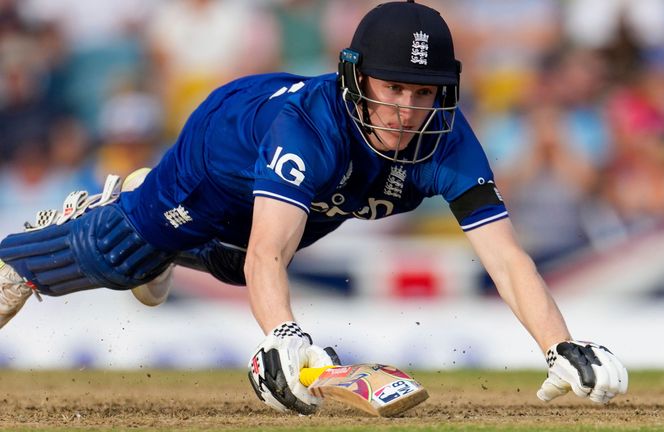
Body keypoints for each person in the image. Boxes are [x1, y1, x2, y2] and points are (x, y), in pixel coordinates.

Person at [0, 0, 628, 415]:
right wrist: (284, 337)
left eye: (423, 91)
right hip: (224, 151)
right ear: (357, 79)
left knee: (231, 262)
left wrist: (560, 346)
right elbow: (272, 255)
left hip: (314, 189)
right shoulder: (307, 130)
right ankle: (52, 243)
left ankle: (151, 228)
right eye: (392, 88)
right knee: (119, 258)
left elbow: (506, 257)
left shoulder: (450, 136)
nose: (407, 110)